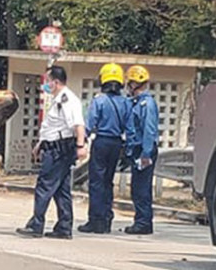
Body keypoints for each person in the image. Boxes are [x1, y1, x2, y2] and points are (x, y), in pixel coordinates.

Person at [16, 66, 87, 239]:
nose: (46, 84)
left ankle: (36, 224)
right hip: (54, 146)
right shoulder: (57, 100)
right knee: (60, 189)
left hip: (59, 149)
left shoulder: (67, 100)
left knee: (44, 186)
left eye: (48, 81)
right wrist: (40, 144)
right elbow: (52, 127)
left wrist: (80, 146)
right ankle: (64, 226)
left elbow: (78, 124)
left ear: (55, 82)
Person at [78, 63, 134, 234]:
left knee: (96, 182)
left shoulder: (99, 100)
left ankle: (96, 221)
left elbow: (90, 124)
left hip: (101, 142)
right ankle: (107, 218)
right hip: (117, 143)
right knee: (108, 182)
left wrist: (81, 142)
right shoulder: (126, 102)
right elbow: (130, 127)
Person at [124, 65, 158, 235]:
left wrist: (145, 153)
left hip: (144, 149)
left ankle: (144, 222)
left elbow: (149, 130)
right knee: (137, 187)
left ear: (134, 84)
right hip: (136, 149)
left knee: (141, 188)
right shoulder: (136, 103)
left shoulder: (147, 104)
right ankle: (140, 219)